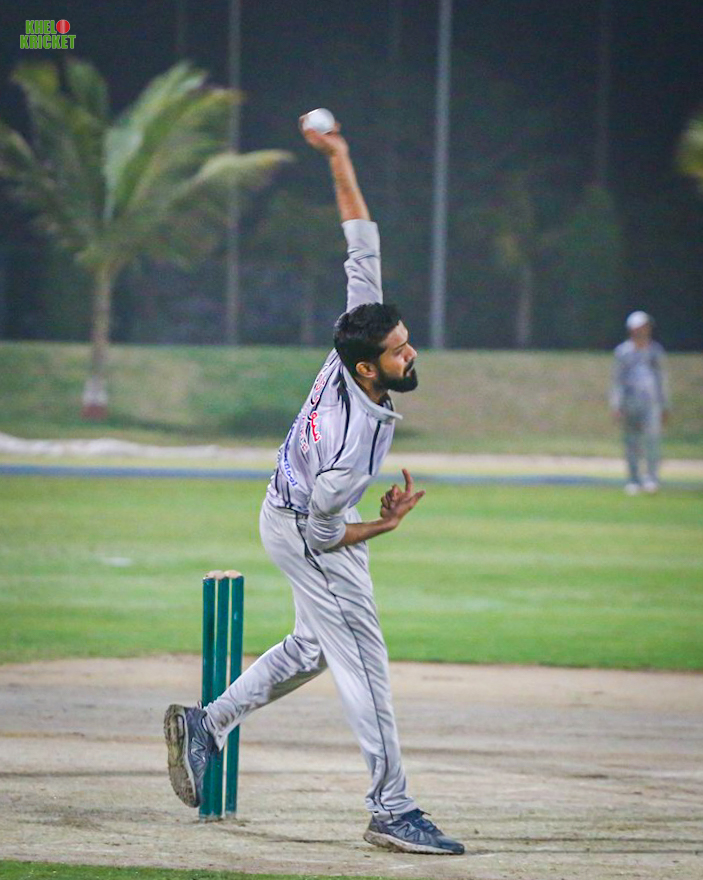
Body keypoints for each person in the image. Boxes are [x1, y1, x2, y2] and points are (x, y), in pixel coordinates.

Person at [164, 117, 465, 856]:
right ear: (368, 368)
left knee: (311, 647)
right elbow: (325, 533)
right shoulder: (348, 450)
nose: (409, 354)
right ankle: (391, 808)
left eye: (405, 342)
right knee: (364, 663)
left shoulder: (353, 338)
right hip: (309, 524)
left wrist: (339, 156)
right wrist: (382, 526)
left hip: (292, 508)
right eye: (399, 352)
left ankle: (206, 724)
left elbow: (360, 239)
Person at [610, 311, 670, 495]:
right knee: (632, 442)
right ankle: (633, 479)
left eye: (645, 327)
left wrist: (665, 405)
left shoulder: (655, 351)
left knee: (652, 441)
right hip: (630, 402)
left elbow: (661, 379)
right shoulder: (623, 352)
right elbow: (617, 380)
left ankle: (651, 478)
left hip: (651, 403)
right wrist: (616, 404)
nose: (642, 331)